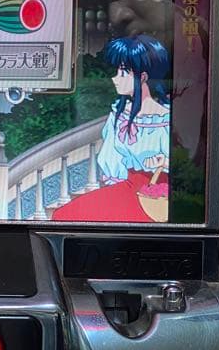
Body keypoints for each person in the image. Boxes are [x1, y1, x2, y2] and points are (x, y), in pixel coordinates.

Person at [52, 34, 170, 223]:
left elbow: (187, 167)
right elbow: (112, 160)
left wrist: (163, 162)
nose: (115, 78)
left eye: (123, 73)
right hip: (128, 188)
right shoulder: (120, 113)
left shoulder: (165, 118)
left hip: (158, 196)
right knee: (64, 214)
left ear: (143, 77)